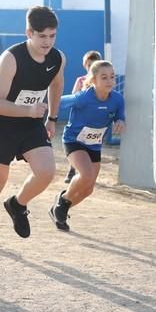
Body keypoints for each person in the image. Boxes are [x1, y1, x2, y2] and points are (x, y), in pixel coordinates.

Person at [0, 6, 65, 249]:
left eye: (52, 35)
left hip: (31, 123)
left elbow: (56, 85)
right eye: (42, 36)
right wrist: (28, 110)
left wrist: (52, 118)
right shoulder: (11, 58)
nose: (48, 42)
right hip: (1, 124)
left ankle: (17, 204)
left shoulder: (57, 58)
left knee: (46, 172)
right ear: (29, 33)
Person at [49, 60, 125, 231]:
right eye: (104, 77)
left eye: (112, 77)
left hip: (94, 145)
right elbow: (57, 101)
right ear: (93, 80)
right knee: (86, 174)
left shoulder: (118, 99)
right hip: (74, 141)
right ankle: (62, 201)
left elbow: (120, 114)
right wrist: (42, 111)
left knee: (88, 188)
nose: (109, 81)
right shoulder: (84, 97)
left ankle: (60, 207)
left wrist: (120, 121)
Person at [64, 50, 102, 183]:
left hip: (95, 120)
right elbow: (73, 97)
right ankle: (72, 170)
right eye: (89, 64)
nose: (91, 67)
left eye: (94, 64)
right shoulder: (81, 80)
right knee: (76, 143)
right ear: (85, 65)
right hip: (80, 119)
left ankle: (89, 172)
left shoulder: (102, 81)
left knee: (92, 144)